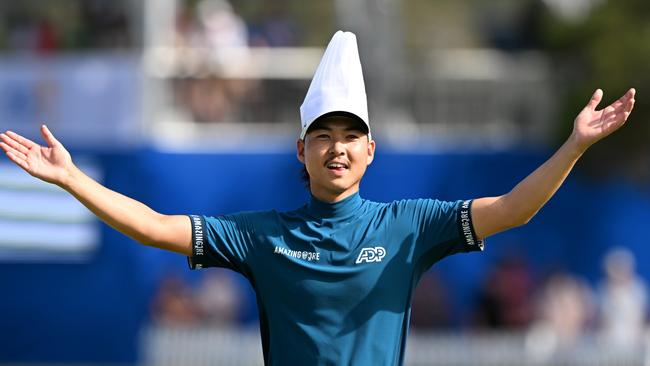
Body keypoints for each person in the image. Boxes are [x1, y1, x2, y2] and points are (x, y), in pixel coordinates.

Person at [0, 31, 636, 365]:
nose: (337, 149)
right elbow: (154, 226)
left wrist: (573, 146)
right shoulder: (261, 233)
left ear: (370, 151)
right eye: (322, 137)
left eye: (350, 137)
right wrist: (74, 179)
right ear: (299, 151)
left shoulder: (409, 226)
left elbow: (514, 208)